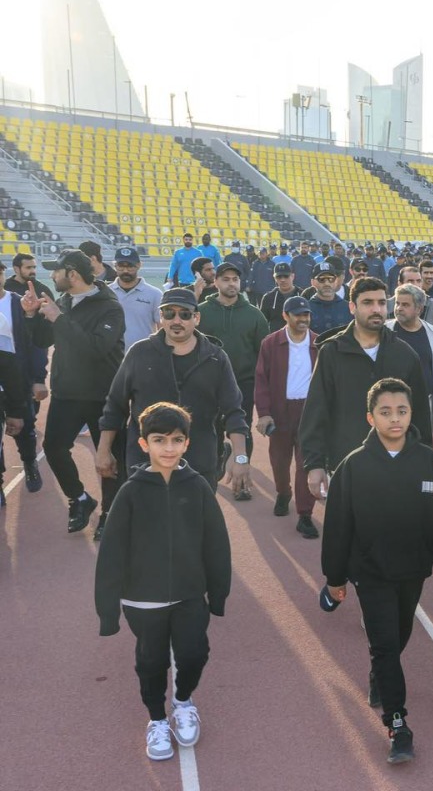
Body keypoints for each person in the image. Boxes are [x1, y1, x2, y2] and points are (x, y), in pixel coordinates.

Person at [320, 378, 433, 765]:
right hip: (370, 573)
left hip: (411, 570)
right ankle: (398, 724)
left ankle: (378, 675)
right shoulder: (354, 466)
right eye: (385, 412)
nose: (395, 419)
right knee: (385, 644)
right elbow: (337, 526)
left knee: (399, 634)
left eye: (401, 411)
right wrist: (335, 577)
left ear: (411, 414)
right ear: (371, 417)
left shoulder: (429, 462)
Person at [93, 402, 231, 762]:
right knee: (151, 662)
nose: (168, 448)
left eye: (176, 440)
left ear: (186, 443)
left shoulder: (197, 487)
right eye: (159, 440)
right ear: (144, 444)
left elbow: (216, 543)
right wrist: (108, 612)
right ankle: (156, 719)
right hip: (143, 601)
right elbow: (111, 554)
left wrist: (217, 595)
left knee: (193, 653)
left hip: (188, 595)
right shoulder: (131, 492)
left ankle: (183, 701)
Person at [97, 288, 251, 507]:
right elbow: (115, 405)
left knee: (195, 530)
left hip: (199, 461)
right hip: (144, 462)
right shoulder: (139, 353)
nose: (176, 320)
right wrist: (103, 451)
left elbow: (234, 411)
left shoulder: (216, 358)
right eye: (169, 313)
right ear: (161, 317)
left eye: (185, 314)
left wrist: (240, 457)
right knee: (147, 530)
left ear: (196, 318)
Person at [299, 277, 433, 504]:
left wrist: (424, 465)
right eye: (368, 302)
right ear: (352, 307)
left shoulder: (405, 354)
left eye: (381, 303)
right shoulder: (332, 352)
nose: (376, 309)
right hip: (345, 465)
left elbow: (419, 415)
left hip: (397, 467)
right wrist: (314, 464)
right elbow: (316, 409)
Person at [22, 250, 125, 535]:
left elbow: (96, 349)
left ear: (73, 274)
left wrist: (59, 318)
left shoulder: (110, 307)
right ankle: (80, 498)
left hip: (103, 396)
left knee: (110, 458)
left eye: (56, 271)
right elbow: (45, 339)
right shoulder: (64, 301)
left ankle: (110, 514)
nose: (51, 276)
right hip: (68, 393)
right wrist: (32, 316)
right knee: (54, 448)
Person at [197, 262, 269, 496]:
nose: (231, 283)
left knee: (242, 430)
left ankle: (242, 484)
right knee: (211, 430)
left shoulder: (254, 315)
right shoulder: (201, 312)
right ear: (216, 282)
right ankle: (215, 465)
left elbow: (263, 354)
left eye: (235, 279)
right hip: (208, 384)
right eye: (225, 279)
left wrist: (263, 386)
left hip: (243, 384)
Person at [254, 296, 320, 538]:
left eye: (307, 315)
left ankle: (305, 515)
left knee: (306, 463)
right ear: (285, 316)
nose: (303, 319)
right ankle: (283, 493)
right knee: (279, 460)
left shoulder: (318, 343)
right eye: (298, 315)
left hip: (309, 413)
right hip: (280, 412)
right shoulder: (271, 343)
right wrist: (264, 413)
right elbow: (261, 380)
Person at [0, 259, 45, 497]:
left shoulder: (20, 303)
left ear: (3, 274)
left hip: (18, 380)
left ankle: (30, 463)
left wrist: (38, 377)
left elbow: (37, 343)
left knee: (25, 428)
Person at [386, 283, 433, 432]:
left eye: (405, 304)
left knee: (423, 450)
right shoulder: (385, 332)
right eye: (397, 303)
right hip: (389, 406)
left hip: (424, 405)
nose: (399, 308)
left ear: (419, 309)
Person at [109, 246, 162, 352]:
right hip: (112, 358)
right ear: (114, 266)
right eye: (121, 266)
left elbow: (162, 328)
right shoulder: (106, 293)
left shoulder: (155, 294)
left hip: (144, 355)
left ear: (139, 265)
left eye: (130, 266)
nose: (125, 271)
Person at [308, 262, 354, 336]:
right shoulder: (306, 309)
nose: (327, 283)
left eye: (331, 279)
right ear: (313, 282)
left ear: (336, 281)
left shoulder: (348, 308)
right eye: (322, 279)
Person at [259, 263, 301, 332]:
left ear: (293, 276)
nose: (282, 280)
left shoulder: (303, 295)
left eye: (286, 276)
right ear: (275, 278)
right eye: (279, 277)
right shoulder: (268, 298)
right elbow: (262, 324)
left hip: (300, 339)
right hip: (276, 340)